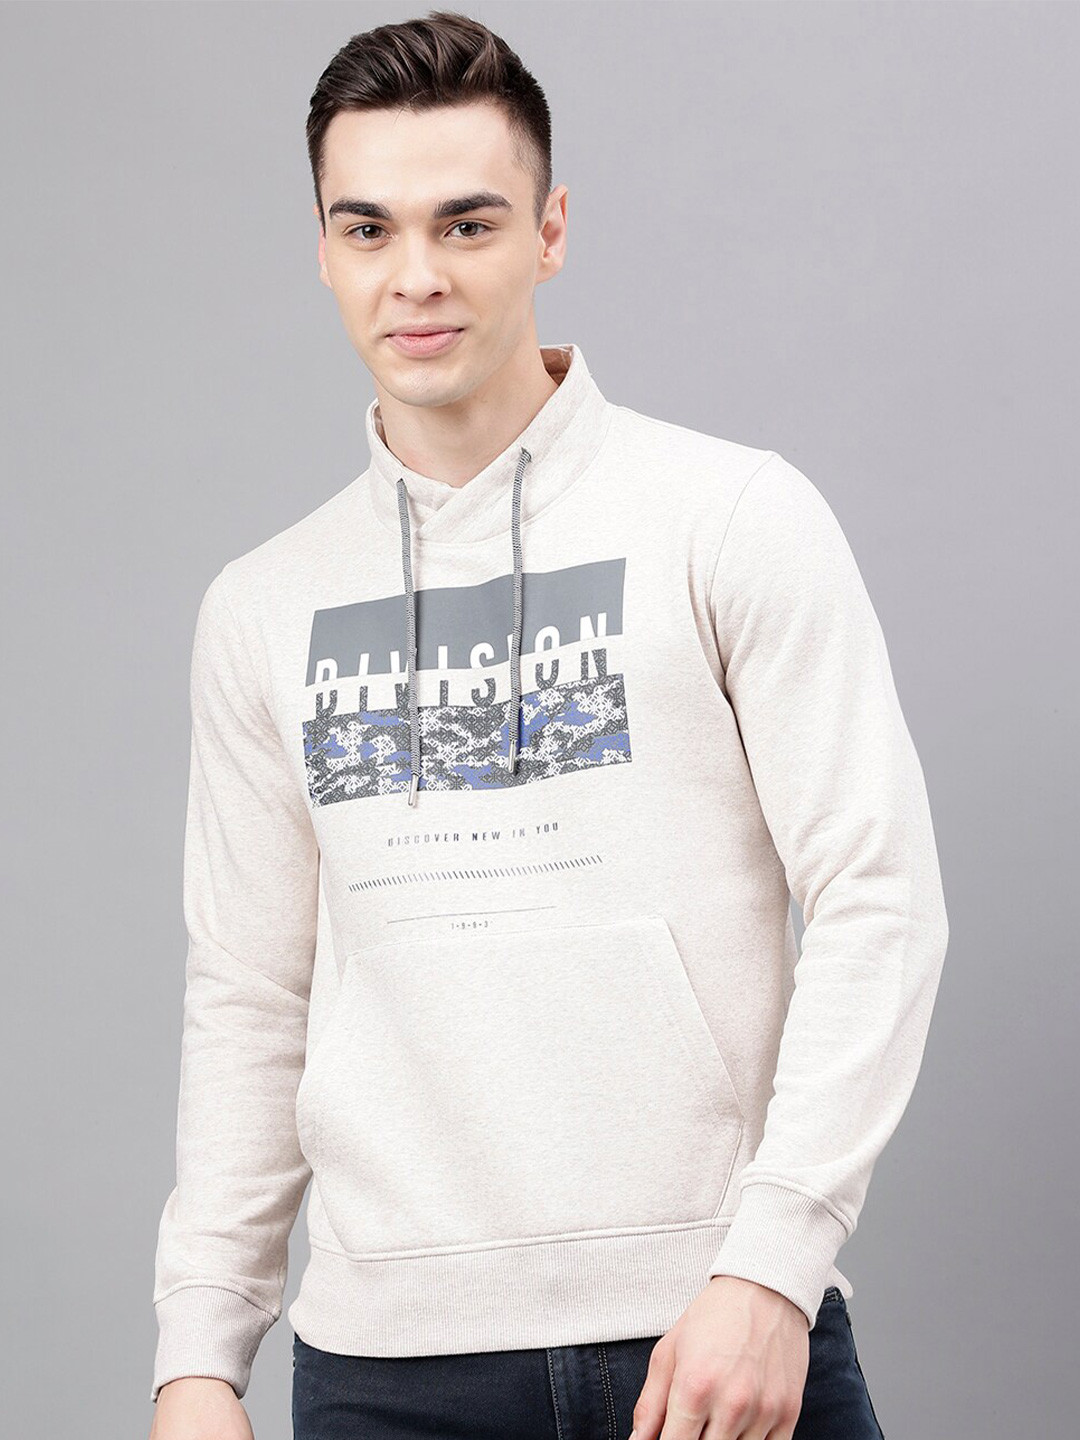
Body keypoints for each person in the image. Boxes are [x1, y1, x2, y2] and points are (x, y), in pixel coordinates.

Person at [148, 11, 947, 1440]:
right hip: (391, 1376)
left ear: (550, 230)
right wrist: (199, 1357)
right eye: (369, 228)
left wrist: (772, 1266)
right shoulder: (261, 609)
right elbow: (250, 998)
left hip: (714, 1333)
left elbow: (879, 898)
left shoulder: (731, 519)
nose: (417, 275)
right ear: (323, 248)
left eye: (467, 223)